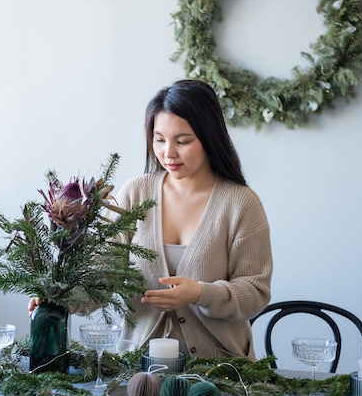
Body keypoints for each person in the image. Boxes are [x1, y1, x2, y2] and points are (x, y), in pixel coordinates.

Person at [30, 79, 272, 359]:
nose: (168, 153)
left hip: (222, 369)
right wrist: (59, 300)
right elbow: (102, 273)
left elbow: (255, 293)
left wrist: (200, 293)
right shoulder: (135, 193)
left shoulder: (241, 203)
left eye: (183, 141)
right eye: (159, 140)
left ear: (209, 136)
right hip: (138, 368)